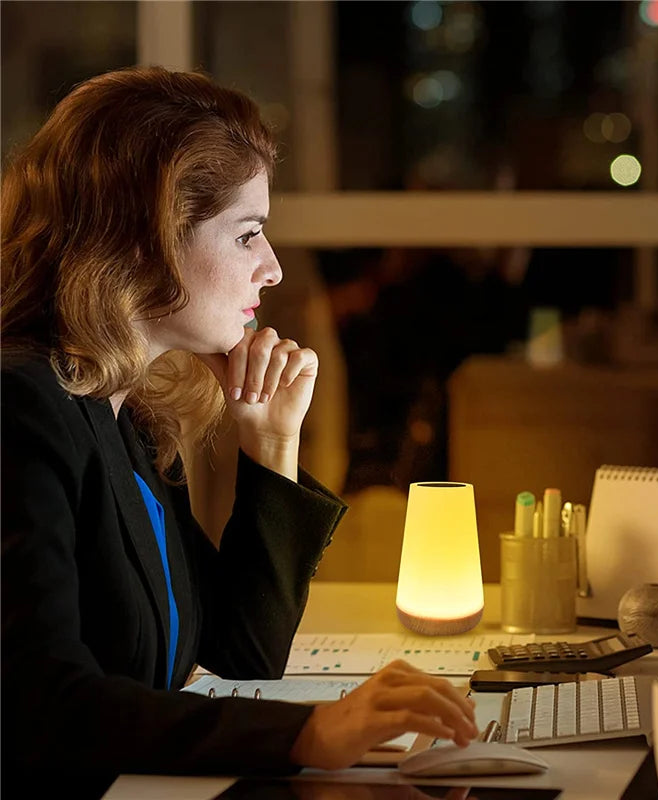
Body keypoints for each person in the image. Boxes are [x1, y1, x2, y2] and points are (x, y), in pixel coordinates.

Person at [0, 66, 477, 798]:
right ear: (143, 240)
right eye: (247, 234)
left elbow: (241, 655)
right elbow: (39, 707)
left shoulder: (121, 409)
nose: (274, 269)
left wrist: (272, 443)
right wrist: (309, 733)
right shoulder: (21, 407)